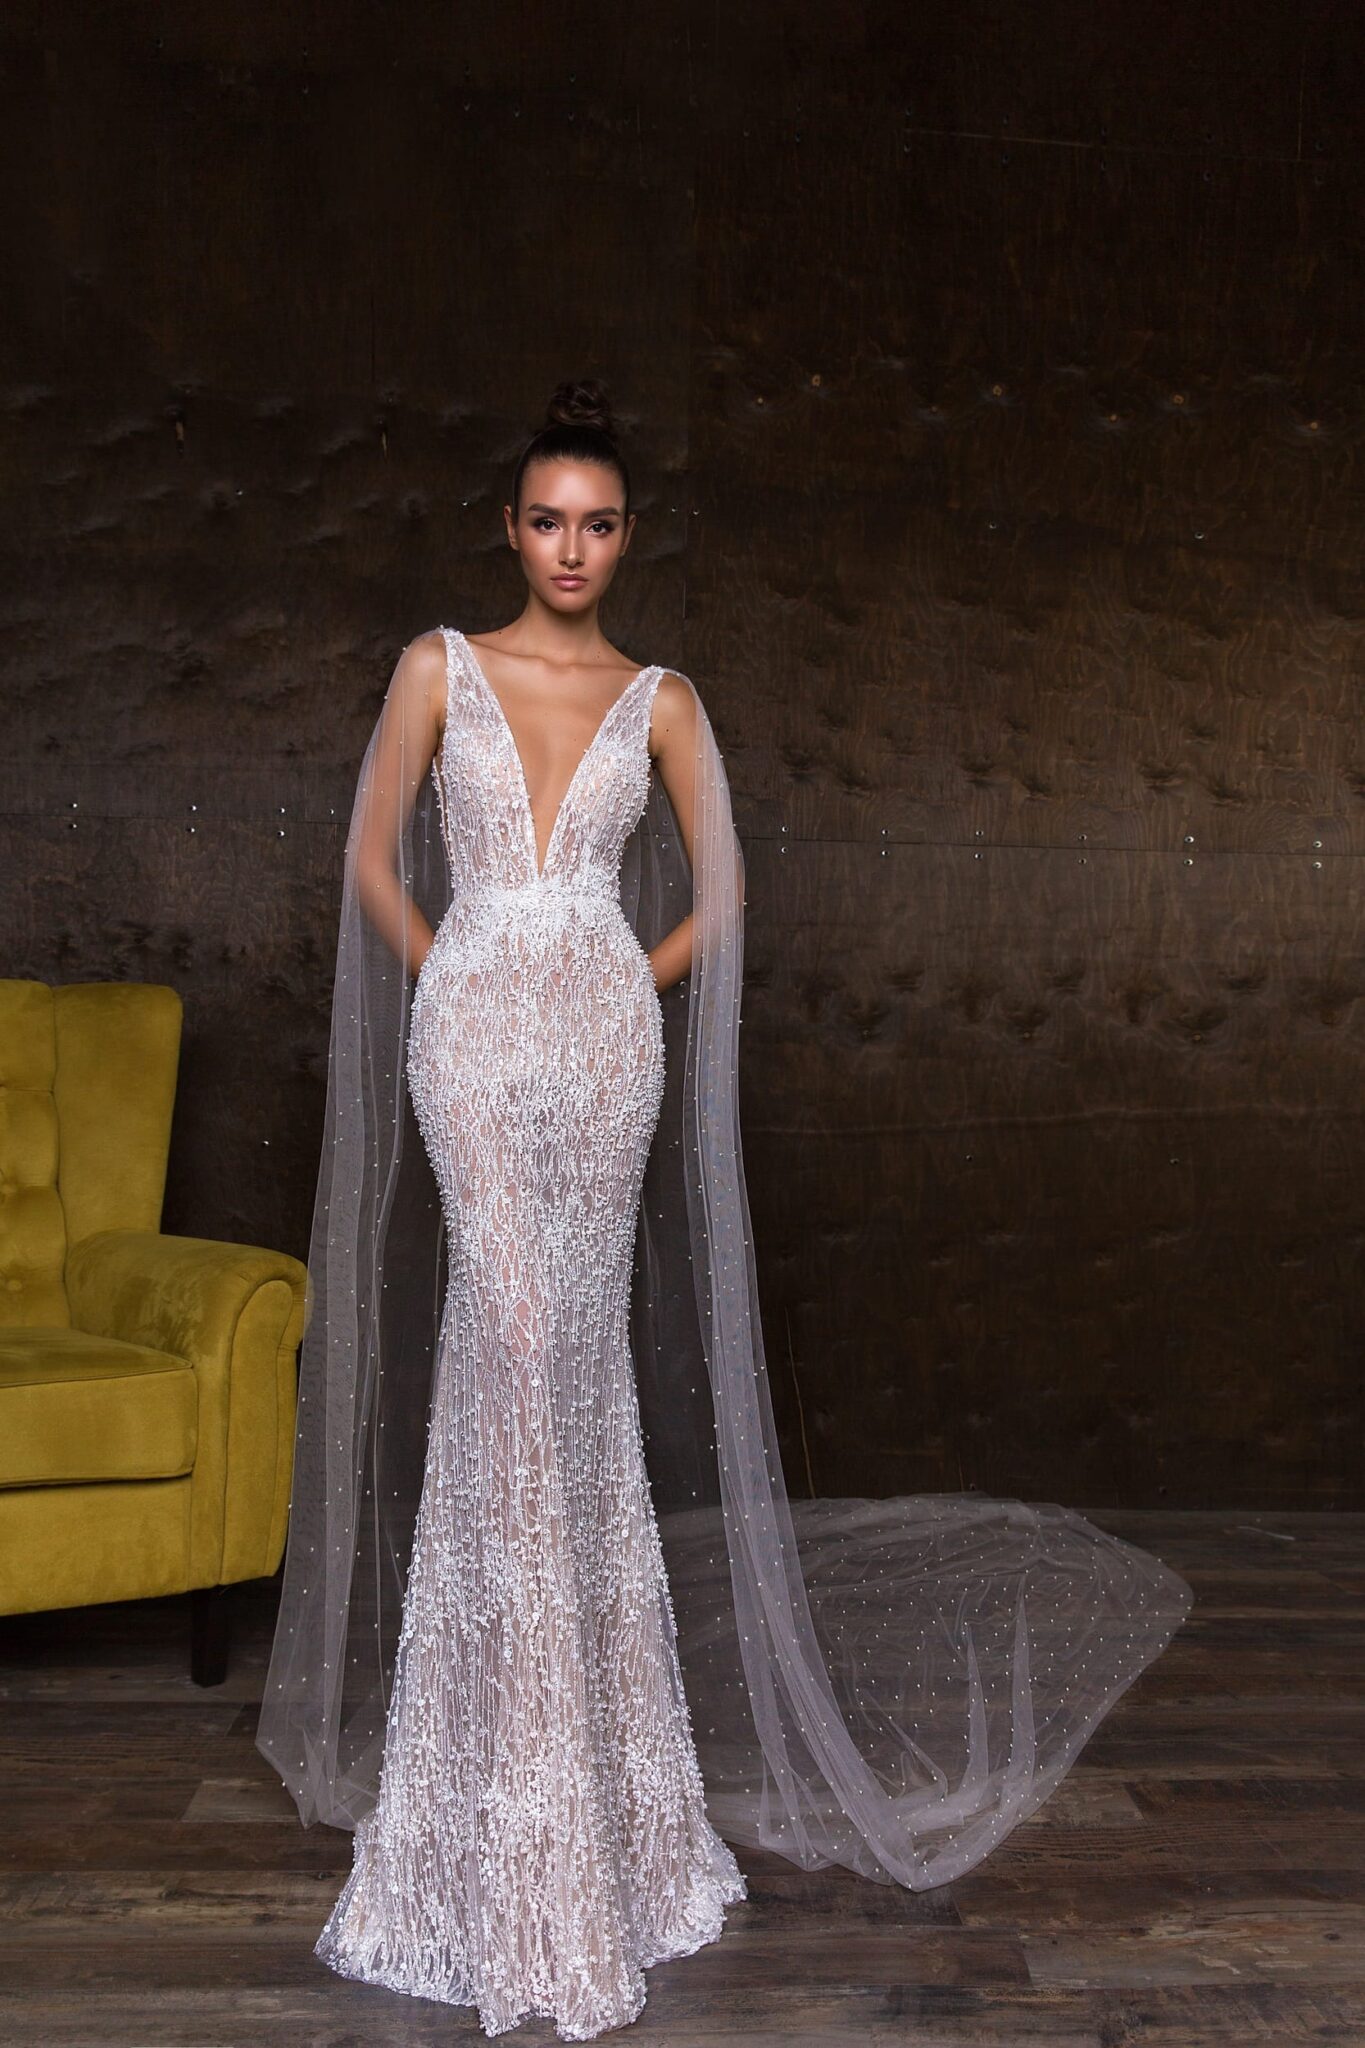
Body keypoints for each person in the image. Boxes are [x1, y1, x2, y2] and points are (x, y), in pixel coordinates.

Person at [257, 378, 1194, 2041]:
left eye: (598, 524)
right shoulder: (434, 669)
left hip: (602, 1054)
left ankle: (600, 1818)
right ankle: (495, 1814)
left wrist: (622, 976)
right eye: (546, 520)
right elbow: (371, 865)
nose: (570, 548)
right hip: (471, 1042)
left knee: (570, 1375)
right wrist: (460, 969)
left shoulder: (663, 700)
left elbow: (728, 893)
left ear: (628, 538)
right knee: (507, 1349)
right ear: (508, 529)